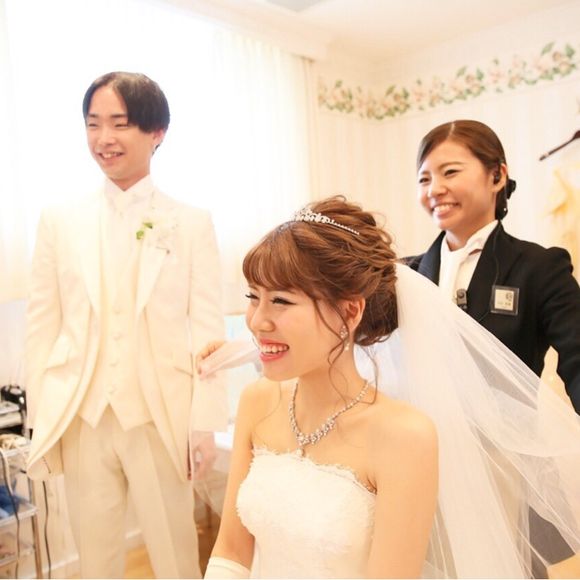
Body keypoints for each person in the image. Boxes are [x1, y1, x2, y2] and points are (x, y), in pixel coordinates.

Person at [201, 196, 580, 579]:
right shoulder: (257, 401)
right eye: (253, 297)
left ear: (350, 311)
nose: (257, 321)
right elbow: (231, 549)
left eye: (280, 300)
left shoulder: (404, 435)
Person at [24, 72, 227, 578]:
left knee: (176, 556)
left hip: (161, 414)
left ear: (157, 132)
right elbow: (42, 325)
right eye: (93, 124)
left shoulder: (191, 222)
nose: (103, 138)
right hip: (83, 416)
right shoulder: (58, 220)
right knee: (94, 560)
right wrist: (43, 414)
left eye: (119, 123)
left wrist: (204, 421)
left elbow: (209, 332)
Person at [405, 120, 580, 414]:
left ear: (497, 176)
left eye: (450, 172)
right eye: (424, 179)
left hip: (508, 442)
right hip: (424, 439)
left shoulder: (541, 268)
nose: (434, 189)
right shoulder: (407, 274)